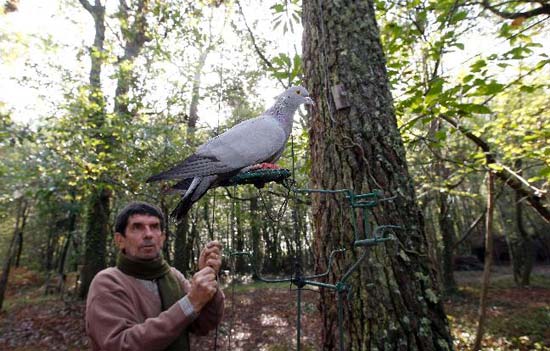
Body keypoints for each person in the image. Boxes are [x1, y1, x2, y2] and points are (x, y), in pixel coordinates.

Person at [85, 201, 224, 351]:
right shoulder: (108, 281)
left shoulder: (174, 276)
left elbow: (203, 325)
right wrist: (189, 304)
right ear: (120, 240)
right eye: (137, 227)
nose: (148, 234)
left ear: (162, 238)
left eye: (154, 226)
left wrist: (208, 276)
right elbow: (120, 345)